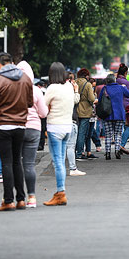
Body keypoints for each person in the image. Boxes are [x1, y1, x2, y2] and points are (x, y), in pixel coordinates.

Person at [0, 52, 33, 211]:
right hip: (20, 125)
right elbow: (30, 102)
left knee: (6, 161)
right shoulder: (25, 79)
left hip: (2, 125)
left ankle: (8, 200)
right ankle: (21, 199)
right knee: (16, 161)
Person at [43, 62, 80, 206]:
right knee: (61, 160)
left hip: (55, 127)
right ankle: (60, 192)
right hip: (67, 127)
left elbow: (43, 106)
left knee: (57, 161)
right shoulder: (69, 87)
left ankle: (60, 193)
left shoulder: (52, 88)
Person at [15, 61, 50, 208]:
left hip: (15, 128)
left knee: (14, 164)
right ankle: (32, 197)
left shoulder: (12, 88)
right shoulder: (36, 90)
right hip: (33, 129)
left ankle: (16, 198)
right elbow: (43, 113)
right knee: (29, 165)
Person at [98, 74, 129, 160]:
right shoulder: (121, 88)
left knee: (108, 134)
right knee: (118, 134)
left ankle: (108, 153)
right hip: (119, 114)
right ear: (115, 80)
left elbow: (99, 100)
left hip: (107, 114)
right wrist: (125, 87)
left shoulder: (105, 88)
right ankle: (117, 150)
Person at [75, 68, 97, 161]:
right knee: (82, 133)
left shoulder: (74, 83)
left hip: (75, 110)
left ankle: (75, 151)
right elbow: (91, 99)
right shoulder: (87, 84)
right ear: (86, 76)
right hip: (85, 111)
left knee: (75, 132)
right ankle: (79, 153)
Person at [116, 64, 129, 156]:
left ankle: (118, 146)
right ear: (125, 73)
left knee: (119, 128)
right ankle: (121, 145)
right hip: (127, 106)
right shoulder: (126, 83)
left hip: (116, 106)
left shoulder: (115, 81)